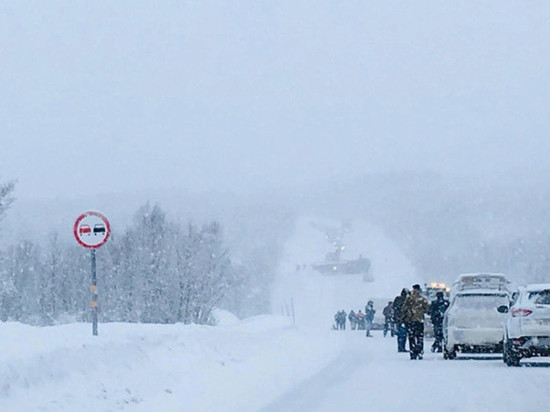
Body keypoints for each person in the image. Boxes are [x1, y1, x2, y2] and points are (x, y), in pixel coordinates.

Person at [401, 284, 430, 360]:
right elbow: (427, 309)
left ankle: (413, 352)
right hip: (419, 321)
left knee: (411, 337)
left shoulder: (409, 298)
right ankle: (419, 351)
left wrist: (404, 317)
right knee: (420, 337)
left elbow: (404, 309)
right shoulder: (422, 299)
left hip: (410, 321)